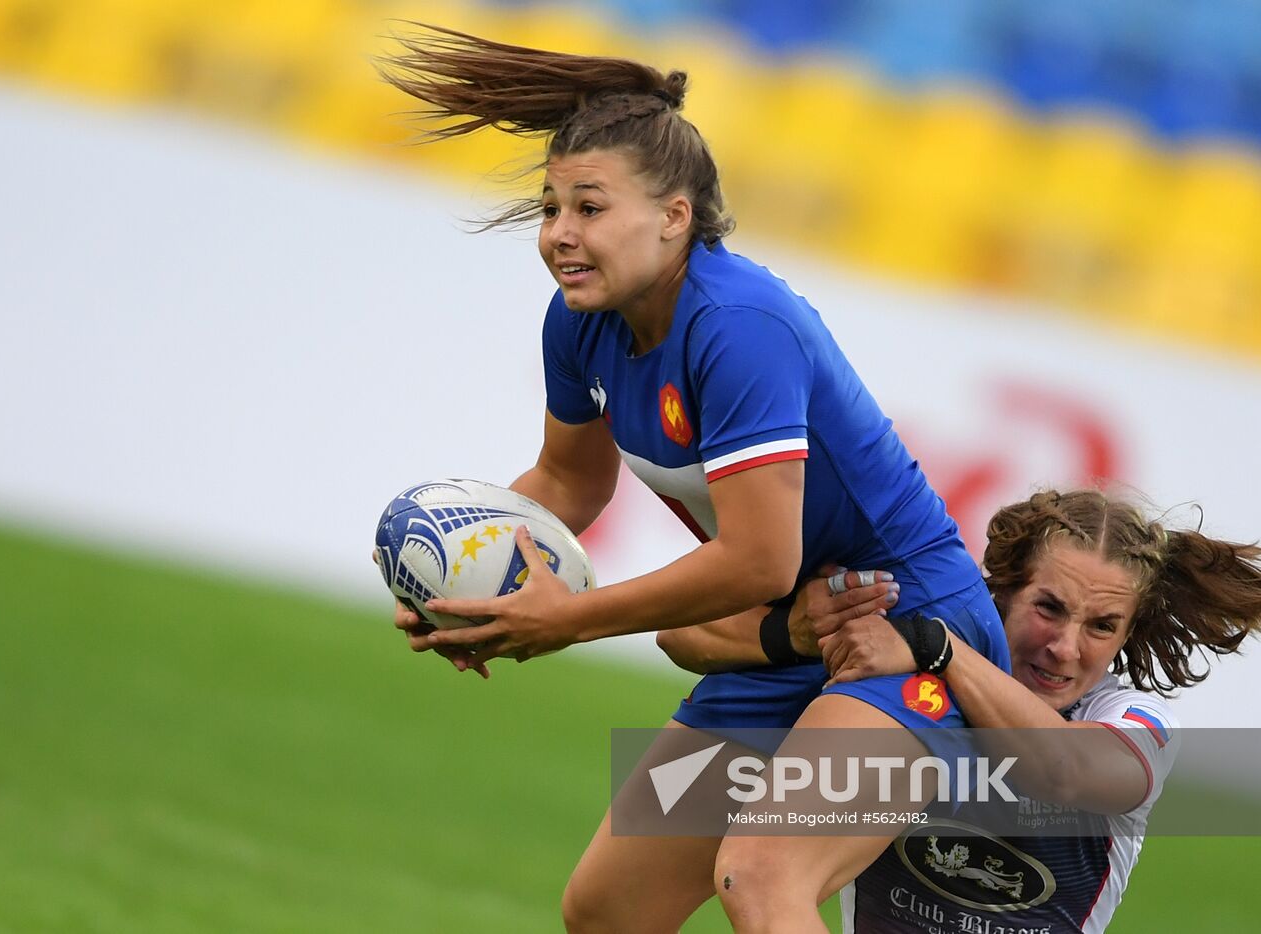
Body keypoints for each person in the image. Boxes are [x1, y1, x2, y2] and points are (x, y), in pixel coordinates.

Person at [378, 26, 1010, 933]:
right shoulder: (579, 321)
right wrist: (470, 584)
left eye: (588, 208)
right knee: (607, 910)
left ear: (675, 216)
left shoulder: (740, 326)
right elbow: (567, 483)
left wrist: (566, 620)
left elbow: (757, 558)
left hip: (906, 638)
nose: (559, 234)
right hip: (781, 643)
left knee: (760, 878)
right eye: (551, 207)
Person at [660, 488, 1261, 932]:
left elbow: (1066, 770)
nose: (1065, 648)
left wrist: (937, 648)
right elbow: (680, 634)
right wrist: (795, 632)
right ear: (1001, 589)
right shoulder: (906, 668)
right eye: (1048, 608)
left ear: (1128, 633)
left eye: (1102, 626)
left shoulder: (1136, 724)